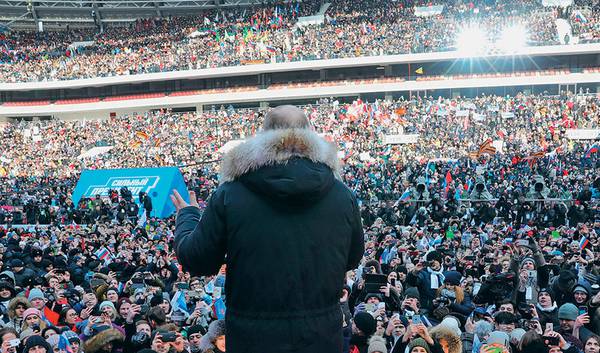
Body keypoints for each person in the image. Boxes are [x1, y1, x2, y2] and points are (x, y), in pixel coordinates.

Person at [171, 105, 365, 353]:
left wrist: (187, 215)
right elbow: (353, 257)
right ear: (310, 135)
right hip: (320, 337)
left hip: (253, 339)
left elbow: (198, 260)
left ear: (262, 136)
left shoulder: (231, 193)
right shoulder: (341, 195)